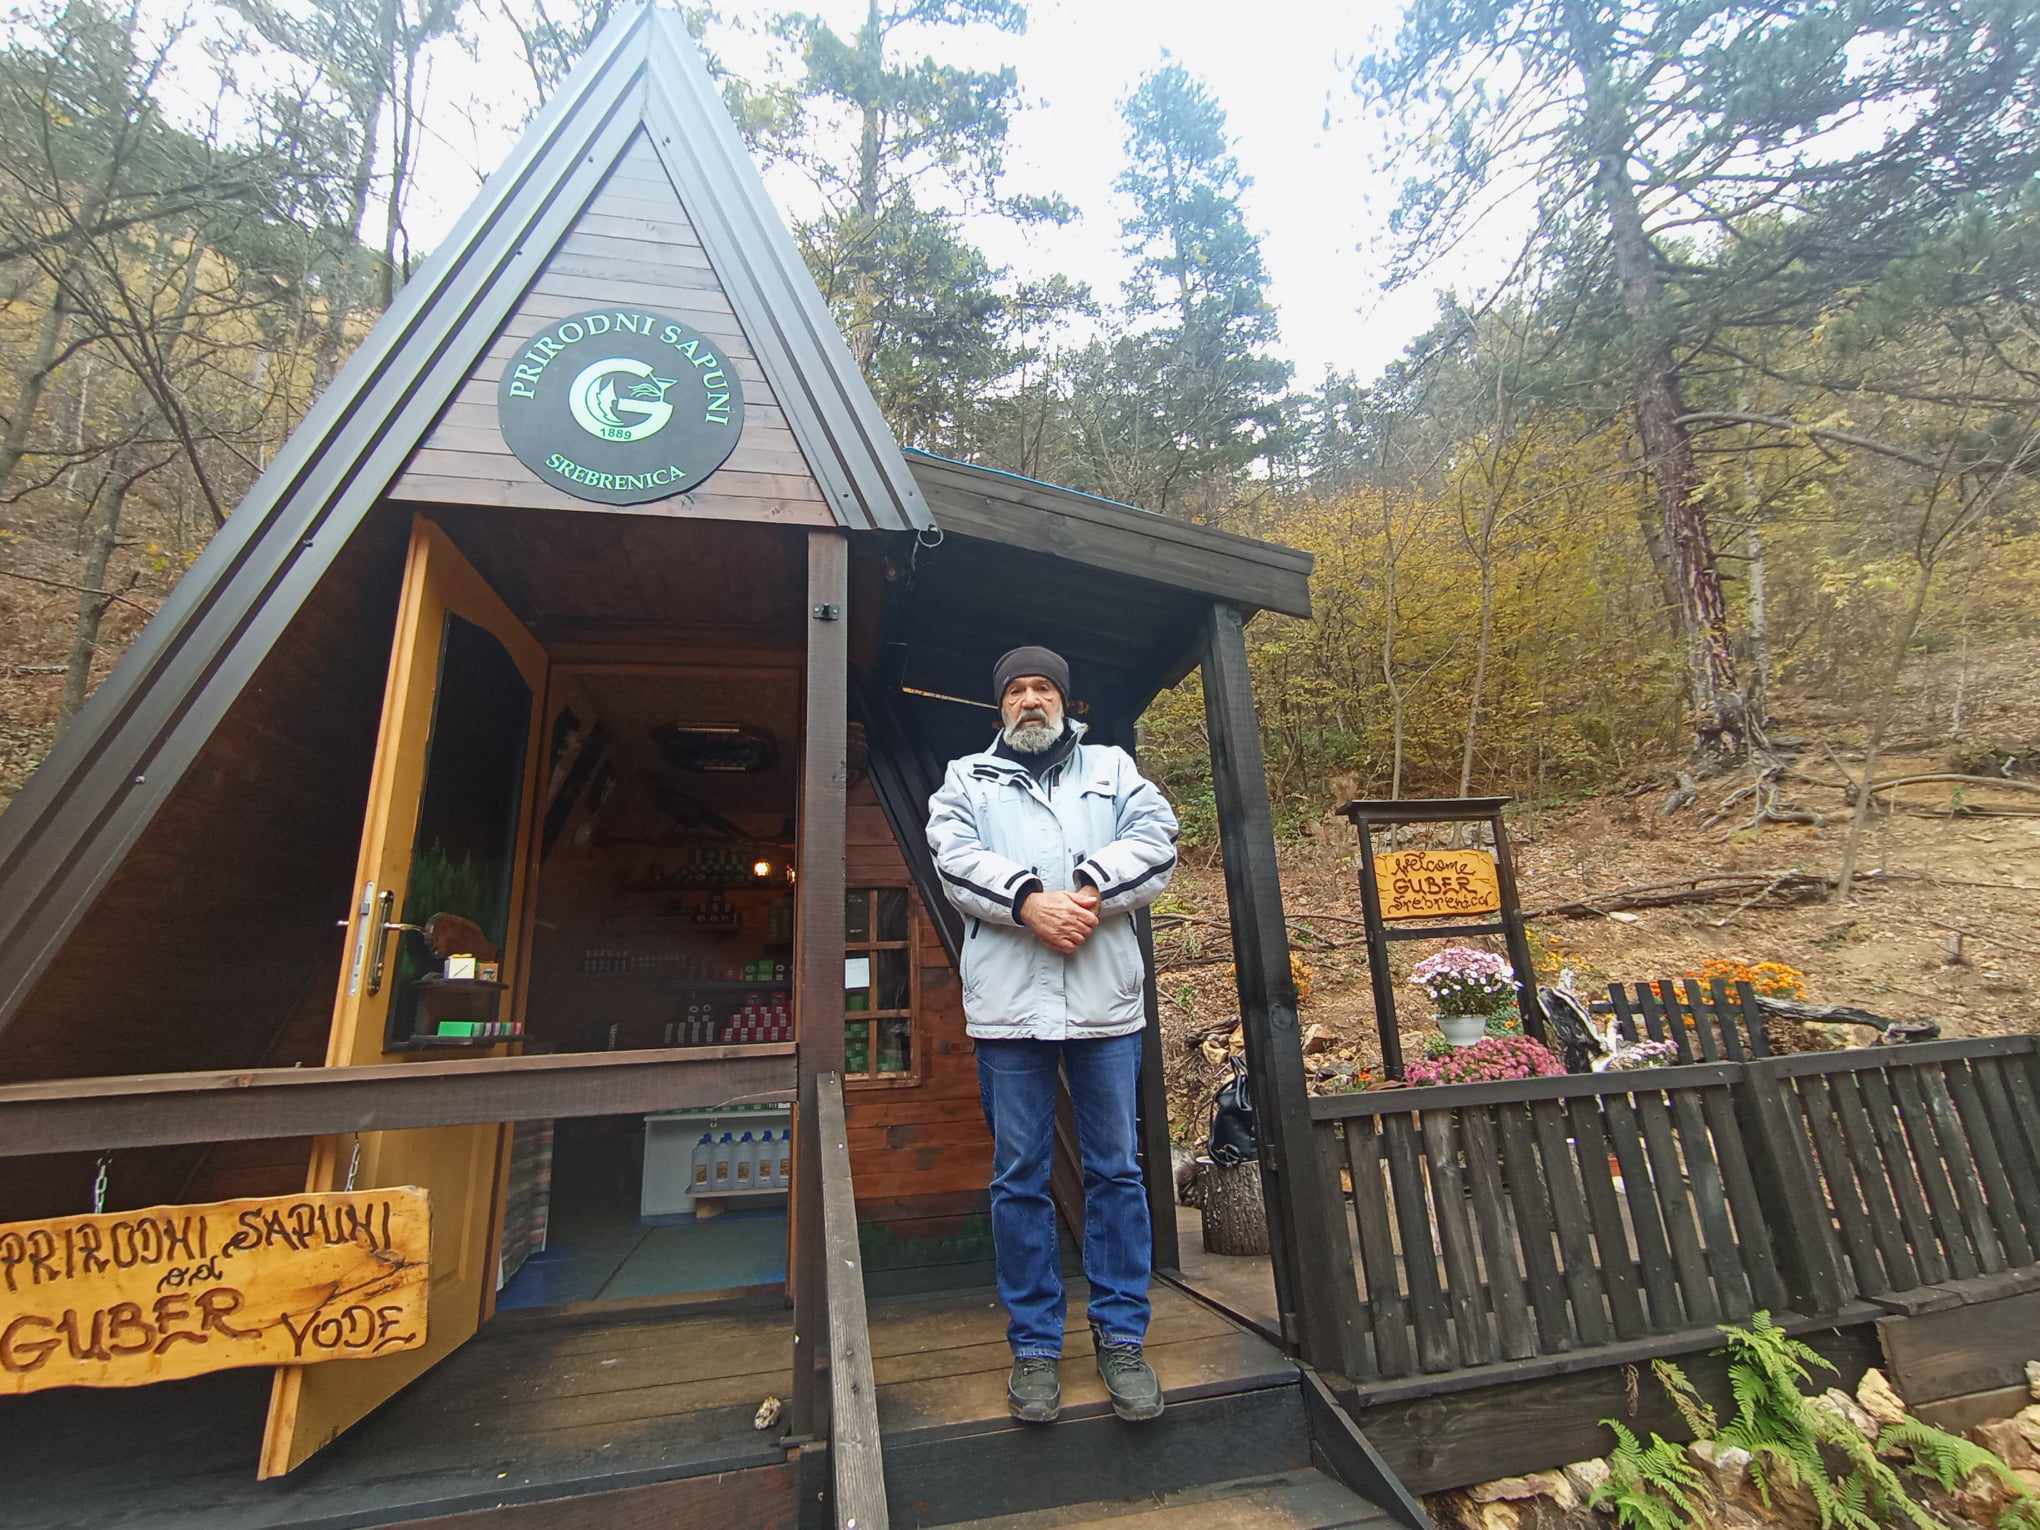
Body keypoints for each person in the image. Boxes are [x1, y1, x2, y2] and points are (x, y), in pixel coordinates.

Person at [926, 645, 1180, 1425]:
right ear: (998, 706)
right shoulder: (965, 777)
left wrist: (1089, 891)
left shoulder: (1112, 767)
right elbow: (952, 855)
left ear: (1063, 701)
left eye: (1042, 689)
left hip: (1104, 1003)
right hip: (1009, 1006)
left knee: (1116, 1172)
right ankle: (1035, 1347)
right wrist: (1029, 900)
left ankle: (1121, 1337)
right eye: (1016, 691)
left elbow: (1159, 838)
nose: (1030, 700)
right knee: (1019, 1180)